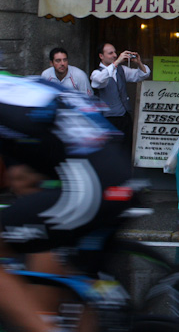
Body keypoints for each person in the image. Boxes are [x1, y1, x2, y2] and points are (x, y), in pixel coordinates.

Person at [0, 73, 132, 332]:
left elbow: (14, 178)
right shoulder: (18, 86)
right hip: (120, 175)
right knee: (79, 283)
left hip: (89, 184)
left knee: (26, 234)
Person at [90, 42, 150, 152]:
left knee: (126, 150)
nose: (114, 55)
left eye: (115, 53)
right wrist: (116, 62)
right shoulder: (96, 73)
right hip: (107, 119)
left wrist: (139, 63)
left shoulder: (121, 70)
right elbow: (99, 80)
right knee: (110, 151)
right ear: (101, 56)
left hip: (124, 117)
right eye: (110, 53)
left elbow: (143, 75)